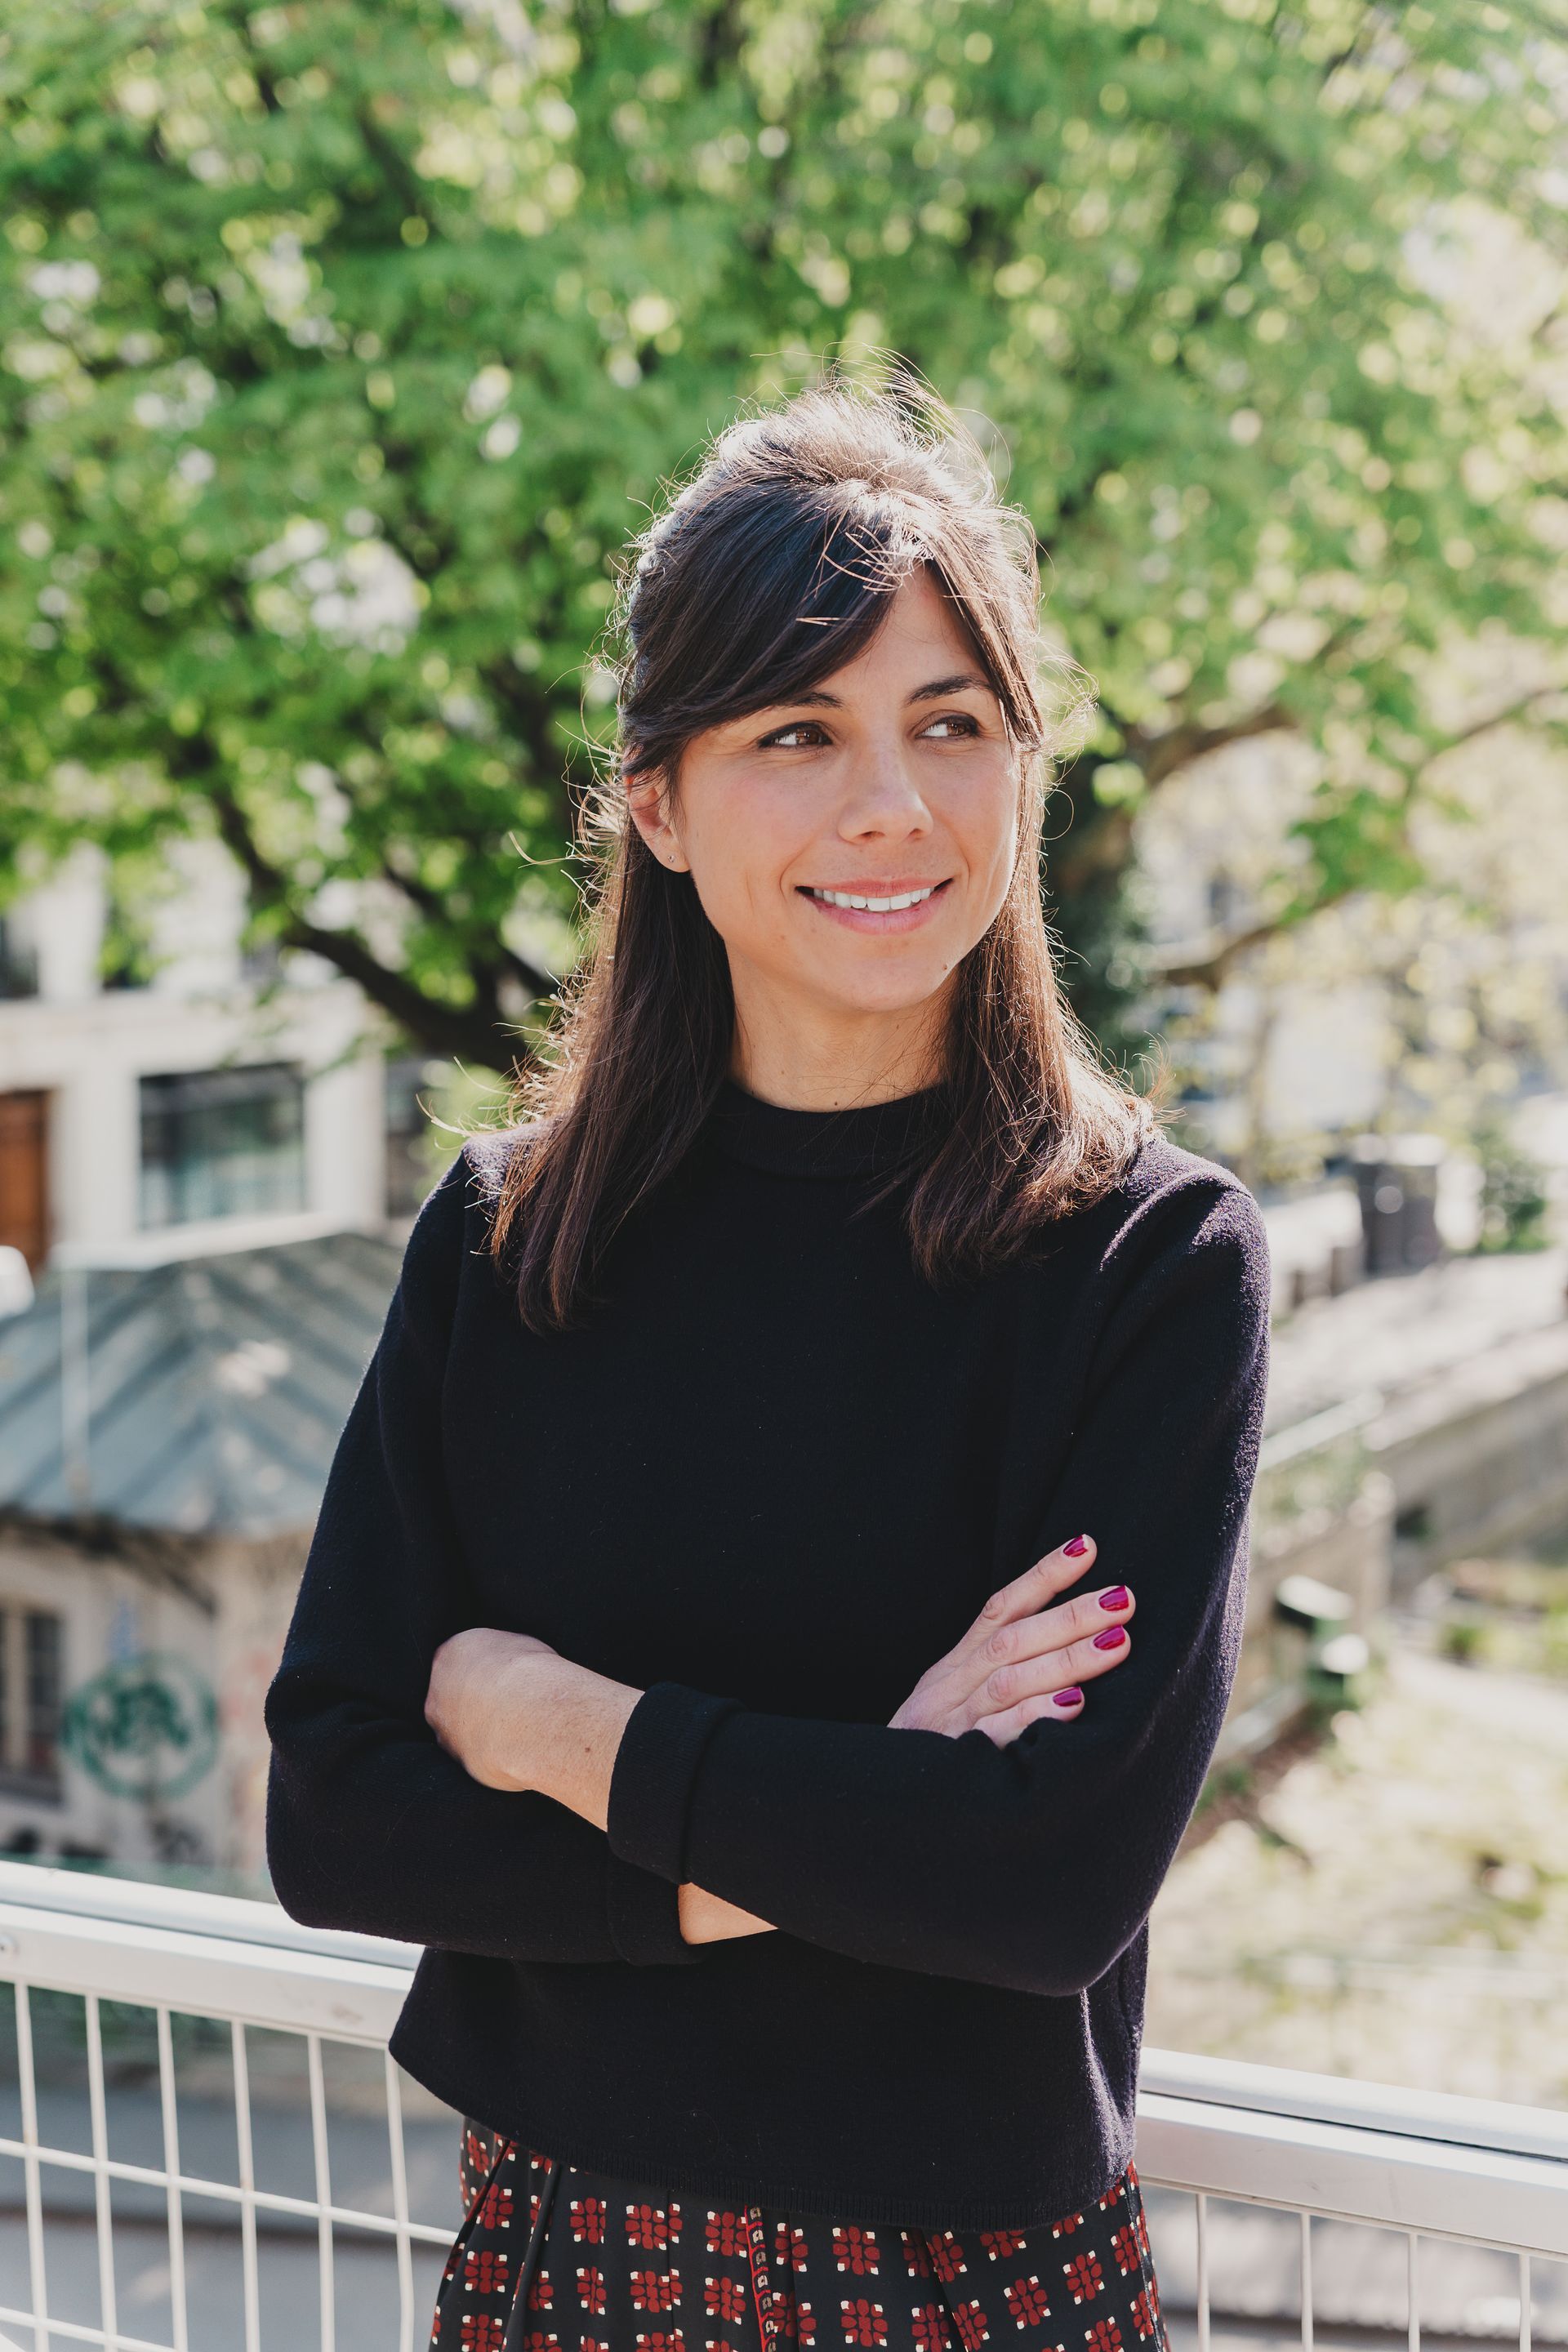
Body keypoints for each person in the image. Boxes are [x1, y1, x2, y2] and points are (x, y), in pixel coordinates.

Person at [265, 376, 1272, 2352]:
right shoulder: (507, 1237)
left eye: (951, 724)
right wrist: (861, 1810)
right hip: (563, 2260)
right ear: (657, 800)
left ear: (1026, 771)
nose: (890, 803)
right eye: (798, 732)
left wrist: (556, 1728)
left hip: (977, 2289)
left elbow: (1042, 1884)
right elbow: (340, 1817)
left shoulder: (1150, 1261)